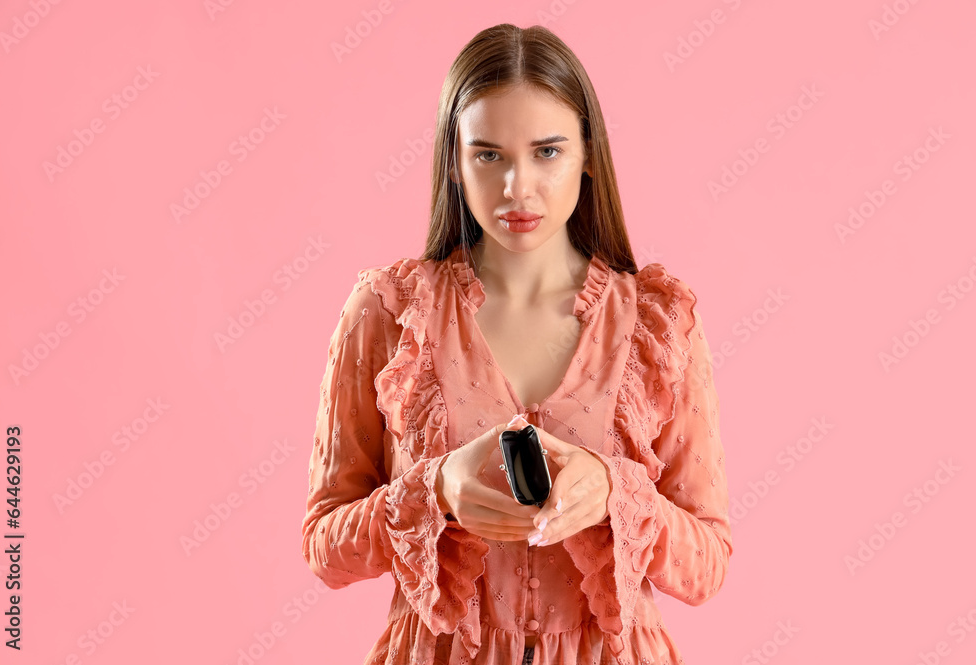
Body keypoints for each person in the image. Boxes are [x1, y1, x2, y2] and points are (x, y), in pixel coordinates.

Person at [301, 23, 733, 665]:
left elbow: (707, 566)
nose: (517, 187)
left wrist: (618, 492)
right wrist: (435, 489)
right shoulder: (388, 314)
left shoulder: (657, 324)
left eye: (547, 152)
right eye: (488, 154)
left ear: (588, 153)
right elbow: (324, 548)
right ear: (454, 160)